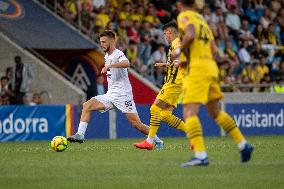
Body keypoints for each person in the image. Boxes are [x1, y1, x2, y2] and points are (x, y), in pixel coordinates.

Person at [174, 0, 253, 167]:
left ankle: (201, 155)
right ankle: (243, 145)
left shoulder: (184, 16)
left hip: (197, 68)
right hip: (210, 67)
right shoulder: (202, 19)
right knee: (215, 111)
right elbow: (214, 49)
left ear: (180, 4)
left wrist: (179, 51)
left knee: (189, 111)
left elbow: (191, 34)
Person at [67, 30, 163, 149]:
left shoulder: (118, 54)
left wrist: (110, 66)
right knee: (87, 105)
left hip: (123, 95)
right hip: (111, 94)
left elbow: (126, 63)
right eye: (101, 42)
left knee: (136, 124)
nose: (102, 44)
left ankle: (158, 140)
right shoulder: (107, 56)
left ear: (112, 41)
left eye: (104, 42)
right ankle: (80, 135)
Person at [133, 22, 188, 150]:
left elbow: (183, 58)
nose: (165, 36)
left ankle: (149, 141)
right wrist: (165, 64)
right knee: (165, 115)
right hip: (176, 83)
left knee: (154, 109)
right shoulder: (175, 44)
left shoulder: (177, 44)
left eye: (165, 34)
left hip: (173, 83)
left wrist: (179, 61)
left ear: (170, 32)